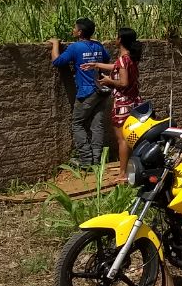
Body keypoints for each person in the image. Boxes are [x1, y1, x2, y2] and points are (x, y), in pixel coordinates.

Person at [50, 18, 112, 169]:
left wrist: (55, 44)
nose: (73, 30)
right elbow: (106, 59)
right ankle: (97, 160)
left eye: (75, 28)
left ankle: (85, 160)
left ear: (80, 32)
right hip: (102, 90)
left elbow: (57, 62)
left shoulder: (75, 47)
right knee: (97, 125)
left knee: (77, 123)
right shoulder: (98, 45)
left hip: (86, 91)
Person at [85, 27, 143, 173]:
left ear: (121, 40)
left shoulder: (123, 60)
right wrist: (96, 65)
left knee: (122, 140)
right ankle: (131, 167)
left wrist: (109, 81)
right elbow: (117, 67)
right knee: (131, 138)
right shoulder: (129, 58)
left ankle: (123, 173)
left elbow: (124, 83)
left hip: (123, 104)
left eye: (117, 37)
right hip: (134, 102)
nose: (115, 39)